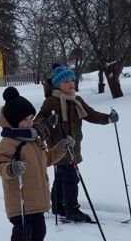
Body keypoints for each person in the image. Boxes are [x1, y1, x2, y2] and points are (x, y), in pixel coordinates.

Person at [0, 87, 71, 241]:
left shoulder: (34, 140)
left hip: (38, 200)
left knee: (39, 231)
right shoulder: (8, 143)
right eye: (26, 119)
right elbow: (0, 166)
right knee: (22, 233)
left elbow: (46, 160)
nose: (31, 122)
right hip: (20, 201)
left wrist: (61, 148)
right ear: (14, 121)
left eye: (32, 118)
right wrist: (13, 168)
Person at [35, 63, 118, 223]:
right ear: (57, 83)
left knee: (61, 177)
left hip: (74, 145)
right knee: (71, 178)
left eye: (72, 80)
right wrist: (48, 121)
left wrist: (107, 118)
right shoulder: (52, 101)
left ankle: (58, 205)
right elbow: (38, 120)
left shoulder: (76, 99)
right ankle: (71, 209)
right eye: (66, 81)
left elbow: (90, 114)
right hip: (59, 147)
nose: (71, 84)